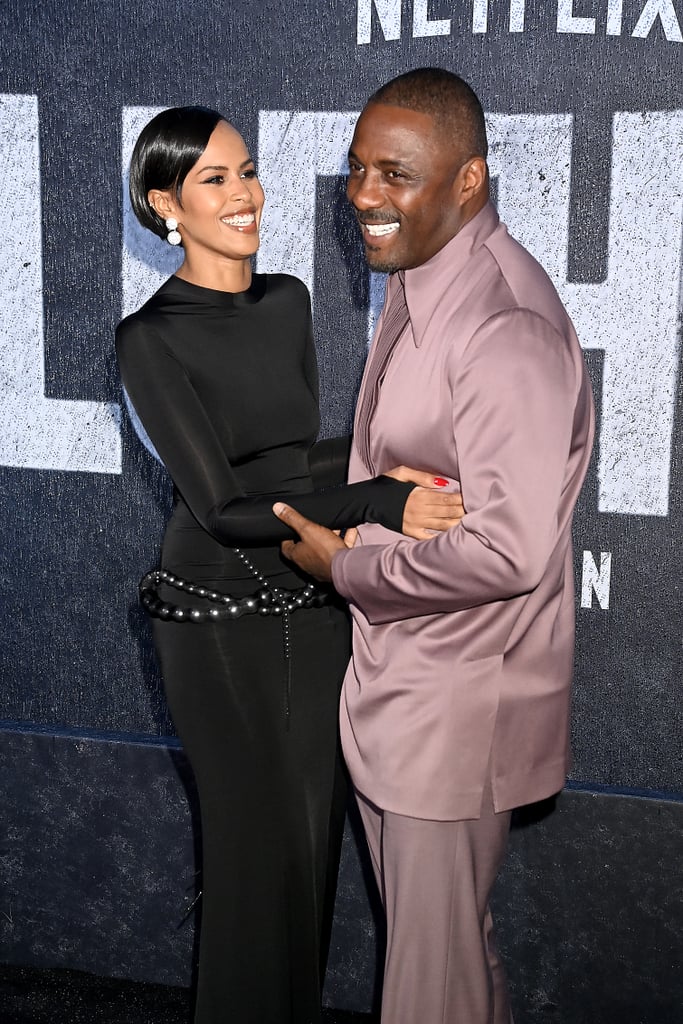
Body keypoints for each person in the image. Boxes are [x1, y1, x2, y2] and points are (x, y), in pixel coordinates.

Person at [115, 106, 463, 1024]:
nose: (245, 195)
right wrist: (382, 499)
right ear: (165, 208)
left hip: (310, 598)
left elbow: (293, 464)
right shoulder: (148, 339)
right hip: (214, 619)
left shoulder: (290, 300)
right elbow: (225, 507)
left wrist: (384, 466)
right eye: (214, 181)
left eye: (247, 171)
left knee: (310, 848)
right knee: (249, 855)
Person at [273, 68, 595, 1024]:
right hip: (409, 696)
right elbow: (406, 455)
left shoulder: (504, 328)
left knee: (427, 988)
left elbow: (505, 553)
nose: (365, 196)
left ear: (469, 181)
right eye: (357, 169)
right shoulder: (422, 275)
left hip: (456, 714)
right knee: (450, 965)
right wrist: (362, 491)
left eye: (396, 174)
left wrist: (348, 567)